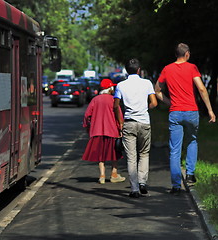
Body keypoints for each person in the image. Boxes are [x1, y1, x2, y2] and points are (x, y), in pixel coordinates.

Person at [155, 43, 216, 195]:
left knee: (175, 149)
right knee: (192, 140)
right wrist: (210, 110)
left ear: (176, 54)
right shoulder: (192, 68)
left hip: (175, 113)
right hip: (191, 111)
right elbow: (201, 88)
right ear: (187, 54)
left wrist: (170, 102)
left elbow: (157, 90)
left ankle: (176, 185)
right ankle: (190, 175)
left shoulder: (167, 69)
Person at [113, 59, 158, 198]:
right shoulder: (147, 83)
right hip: (144, 122)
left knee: (131, 157)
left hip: (129, 123)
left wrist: (120, 122)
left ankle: (134, 189)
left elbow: (115, 106)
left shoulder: (120, 85)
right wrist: (145, 109)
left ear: (126, 70)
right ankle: (142, 182)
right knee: (144, 153)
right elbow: (154, 103)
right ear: (139, 70)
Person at [82, 79, 126, 184]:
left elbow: (87, 115)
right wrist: (121, 127)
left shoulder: (95, 100)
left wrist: (86, 127)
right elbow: (119, 115)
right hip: (112, 131)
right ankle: (114, 174)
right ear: (111, 88)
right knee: (114, 153)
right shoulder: (113, 100)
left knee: (100, 154)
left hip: (97, 131)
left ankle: (102, 176)